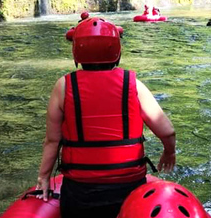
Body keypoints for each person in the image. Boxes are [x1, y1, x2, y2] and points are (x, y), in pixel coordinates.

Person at [36, 15, 176, 218]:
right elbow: (168, 132)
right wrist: (169, 153)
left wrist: (44, 177)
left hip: (80, 193)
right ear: (117, 51)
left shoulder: (64, 86)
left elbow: (52, 140)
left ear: (77, 52)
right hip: (129, 190)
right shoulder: (133, 84)